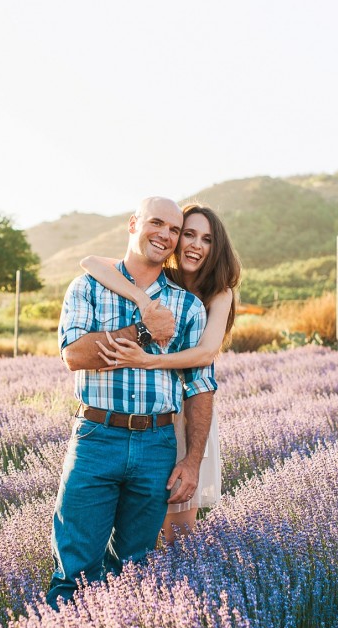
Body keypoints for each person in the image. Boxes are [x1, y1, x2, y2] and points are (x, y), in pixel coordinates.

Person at [46, 197, 217, 610]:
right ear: (133, 224)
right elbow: (76, 354)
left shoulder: (188, 306)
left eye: (174, 230)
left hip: (156, 443)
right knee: (75, 570)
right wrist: (144, 329)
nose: (165, 234)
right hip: (96, 438)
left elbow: (199, 386)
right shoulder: (87, 287)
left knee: (138, 571)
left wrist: (192, 460)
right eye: (156, 223)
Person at [81, 203, 241, 543]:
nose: (196, 245)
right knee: (133, 527)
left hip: (188, 410)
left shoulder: (218, 292)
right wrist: (142, 300)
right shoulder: (159, 279)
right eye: (189, 234)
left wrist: (147, 360)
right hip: (149, 414)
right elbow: (91, 263)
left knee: (177, 528)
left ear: (217, 247)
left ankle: (177, 589)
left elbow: (206, 353)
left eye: (207, 239)